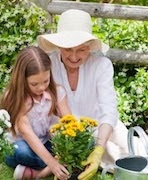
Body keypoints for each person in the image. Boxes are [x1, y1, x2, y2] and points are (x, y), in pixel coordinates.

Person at [37, 9, 147, 180]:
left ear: (89, 47)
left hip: (104, 125)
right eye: (67, 49)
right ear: (59, 47)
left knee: (135, 147)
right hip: (69, 133)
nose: (73, 57)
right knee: (109, 152)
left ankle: (111, 157)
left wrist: (100, 148)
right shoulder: (49, 65)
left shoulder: (102, 65)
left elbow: (109, 110)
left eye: (81, 50)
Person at [0, 46, 71, 180]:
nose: (42, 87)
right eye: (34, 84)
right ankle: (56, 164)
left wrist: (63, 141)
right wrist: (52, 162)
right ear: (22, 80)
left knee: (83, 143)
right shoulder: (16, 97)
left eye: (46, 81)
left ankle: (39, 173)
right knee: (23, 153)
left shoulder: (57, 91)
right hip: (21, 143)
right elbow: (27, 133)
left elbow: (69, 121)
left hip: (44, 142)